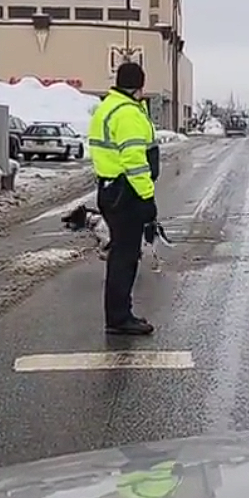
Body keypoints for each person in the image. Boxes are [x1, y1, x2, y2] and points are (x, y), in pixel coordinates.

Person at [88, 61, 161, 336]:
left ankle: (118, 314)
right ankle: (119, 317)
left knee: (121, 251)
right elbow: (134, 160)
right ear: (139, 86)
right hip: (126, 191)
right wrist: (146, 197)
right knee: (125, 256)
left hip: (110, 188)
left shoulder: (107, 107)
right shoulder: (128, 114)